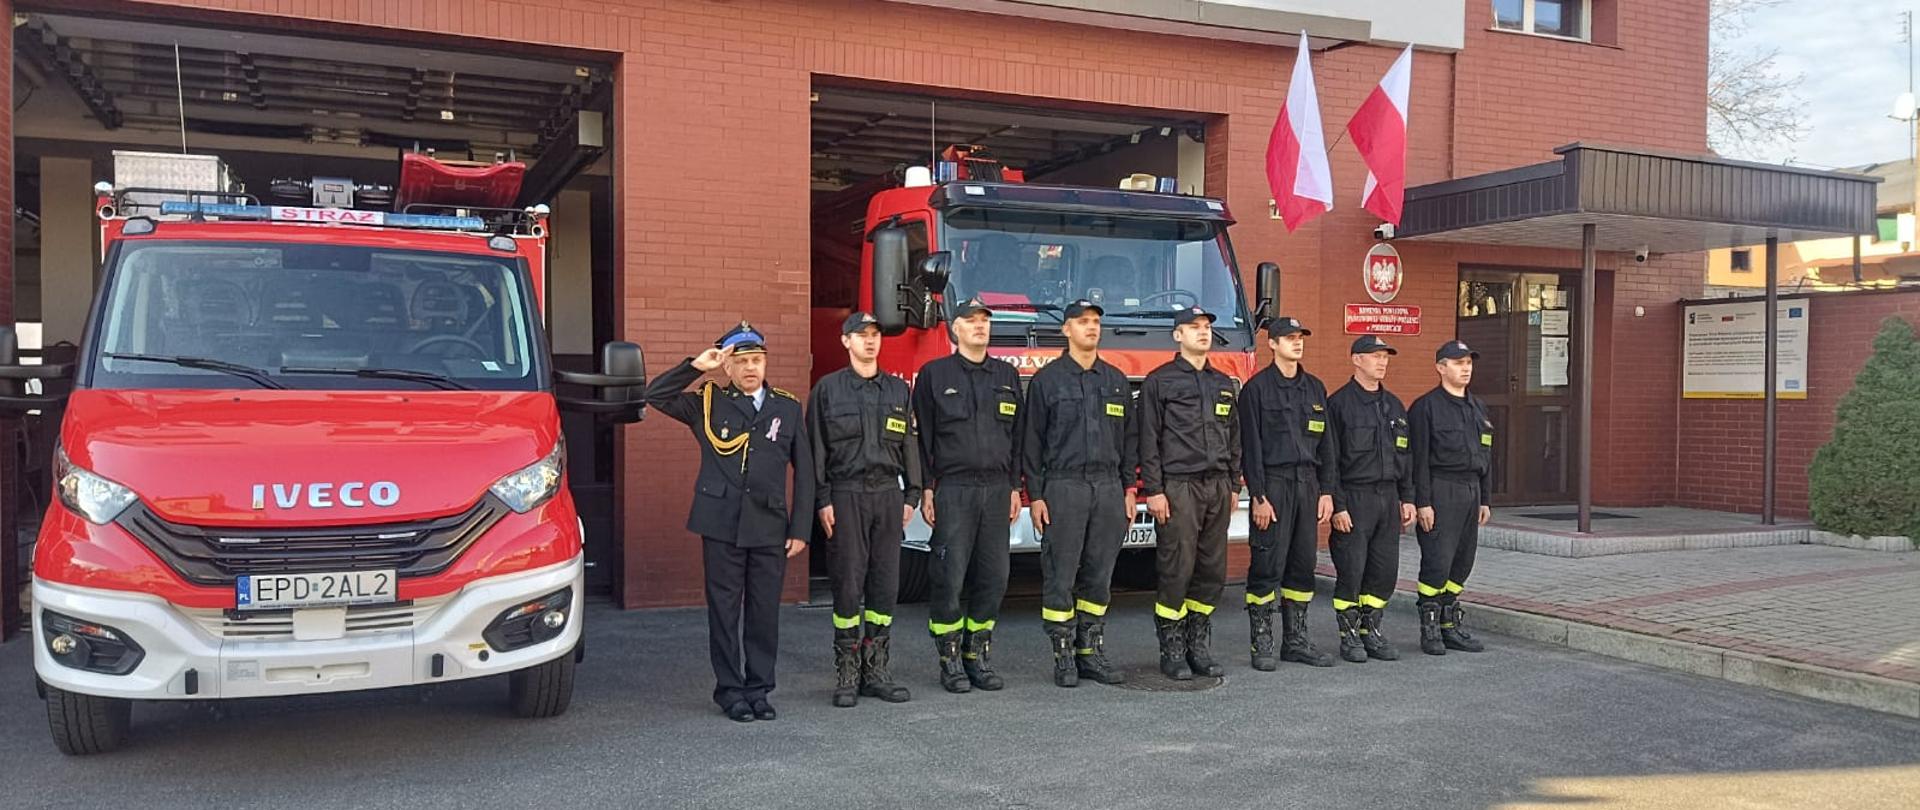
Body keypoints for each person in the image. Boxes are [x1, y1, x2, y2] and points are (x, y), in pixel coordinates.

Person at [644, 322, 812, 723]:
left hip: (770, 524)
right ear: (728, 367)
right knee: (723, 611)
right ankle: (730, 691)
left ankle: (759, 688)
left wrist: (801, 528)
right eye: (742, 361)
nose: (751, 368)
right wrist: (696, 366)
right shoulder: (707, 402)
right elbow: (655, 395)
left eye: (757, 360)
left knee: (763, 611)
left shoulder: (786, 407)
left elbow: (805, 471)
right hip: (720, 523)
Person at [1022, 298, 1138, 687]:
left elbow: (1130, 442)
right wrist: (1036, 495)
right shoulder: (1047, 381)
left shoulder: (1116, 381)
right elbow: (1031, 444)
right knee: (1061, 573)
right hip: (1064, 486)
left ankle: (1091, 651)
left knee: (1100, 573)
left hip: (1107, 488)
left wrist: (1129, 488)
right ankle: (1063, 655)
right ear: (1066, 329)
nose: (1091, 327)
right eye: (1083, 321)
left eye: (1095, 322)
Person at [808, 311, 922, 708]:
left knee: (885, 583)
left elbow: (909, 445)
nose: (870, 341)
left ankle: (876, 670)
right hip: (846, 493)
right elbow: (816, 451)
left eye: (875, 335)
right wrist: (822, 500)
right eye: (861, 335)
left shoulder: (896, 390)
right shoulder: (827, 390)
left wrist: (913, 495)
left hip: (888, 495)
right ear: (846, 341)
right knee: (847, 583)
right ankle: (847, 672)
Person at [911, 296, 1022, 694]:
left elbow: (1018, 438)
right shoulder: (934, 375)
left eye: (984, 321)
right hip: (953, 489)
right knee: (948, 576)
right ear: (954, 328)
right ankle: (950, 660)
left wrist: (1014, 486)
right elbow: (921, 438)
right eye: (971, 320)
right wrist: (926, 487)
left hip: (996, 490)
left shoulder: (1006, 376)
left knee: (994, 577)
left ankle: (978, 654)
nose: (980, 326)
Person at [1137, 305, 1241, 680]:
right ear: (1177, 335)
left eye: (1207, 327)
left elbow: (1233, 436)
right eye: (1194, 327)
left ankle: (1199, 644)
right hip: (1178, 487)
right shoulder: (1159, 382)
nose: (1203, 332)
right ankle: (1172, 649)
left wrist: (1234, 483)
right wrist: (1154, 490)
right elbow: (1147, 439)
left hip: (1217, 486)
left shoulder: (1222, 382)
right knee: (1176, 568)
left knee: (1212, 571)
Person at [1238, 316, 1337, 670]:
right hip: (1274, 485)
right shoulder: (1257, 389)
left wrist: (1327, 491)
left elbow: (1327, 445)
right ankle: (1262, 642)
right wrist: (1259, 496)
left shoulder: (1315, 388)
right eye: (1289, 338)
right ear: (1273, 344)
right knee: (1267, 564)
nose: (1297, 343)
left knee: (1302, 564)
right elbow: (1251, 446)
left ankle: (1295, 640)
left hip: (1307, 484)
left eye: (1300, 337)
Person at [1323, 335, 1415, 663]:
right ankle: (1348, 635)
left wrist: (1408, 497)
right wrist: (1339, 504)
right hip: (1355, 498)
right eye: (1375, 356)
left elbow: (1405, 456)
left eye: (1385, 356)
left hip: (1387, 498)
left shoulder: (1394, 405)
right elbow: (1330, 461)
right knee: (1352, 570)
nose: (1382, 362)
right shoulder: (1339, 404)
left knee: (1384, 570)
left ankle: (1370, 631)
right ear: (1356, 360)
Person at [1409, 339, 1494, 656]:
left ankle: (1449, 624)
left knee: (1462, 562)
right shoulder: (1425, 407)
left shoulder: (1478, 408)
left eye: (1469, 362)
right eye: (1458, 362)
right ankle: (1430, 628)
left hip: (1470, 491)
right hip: (1440, 490)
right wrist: (1422, 501)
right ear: (1440, 367)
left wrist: (1485, 498)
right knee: (1437, 561)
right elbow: (1417, 460)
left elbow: (1487, 454)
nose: (1466, 367)